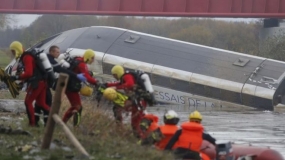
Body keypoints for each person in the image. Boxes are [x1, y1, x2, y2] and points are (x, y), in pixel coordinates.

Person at [34, 45, 87, 127]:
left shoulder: (48, 59)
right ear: (51, 52)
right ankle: (47, 123)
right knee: (47, 102)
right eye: (57, 52)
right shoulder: (49, 60)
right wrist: (76, 75)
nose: (58, 54)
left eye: (59, 52)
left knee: (41, 102)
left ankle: (37, 121)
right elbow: (60, 69)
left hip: (42, 83)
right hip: (43, 84)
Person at [104, 65, 155, 137]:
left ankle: (142, 136)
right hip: (135, 101)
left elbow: (129, 84)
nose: (114, 77)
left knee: (136, 122)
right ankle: (121, 129)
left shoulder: (127, 76)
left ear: (117, 73)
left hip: (139, 101)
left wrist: (115, 87)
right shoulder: (124, 78)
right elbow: (119, 84)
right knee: (118, 109)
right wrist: (107, 85)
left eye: (114, 75)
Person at [9, 47, 52, 127]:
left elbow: (29, 73)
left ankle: (32, 124)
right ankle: (54, 118)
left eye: (13, 51)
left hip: (37, 83)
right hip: (42, 82)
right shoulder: (27, 56)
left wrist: (16, 77)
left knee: (28, 102)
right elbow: (32, 71)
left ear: (18, 50)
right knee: (41, 103)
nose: (13, 54)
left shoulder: (27, 57)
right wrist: (22, 81)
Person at [62, 49, 98, 126]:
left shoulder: (77, 60)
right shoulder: (82, 64)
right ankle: (67, 123)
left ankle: (64, 122)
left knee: (76, 106)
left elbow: (82, 73)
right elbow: (87, 77)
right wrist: (96, 82)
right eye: (92, 58)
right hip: (71, 88)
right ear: (88, 57)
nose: (93, 60)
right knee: (77, 107)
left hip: (69, 86)